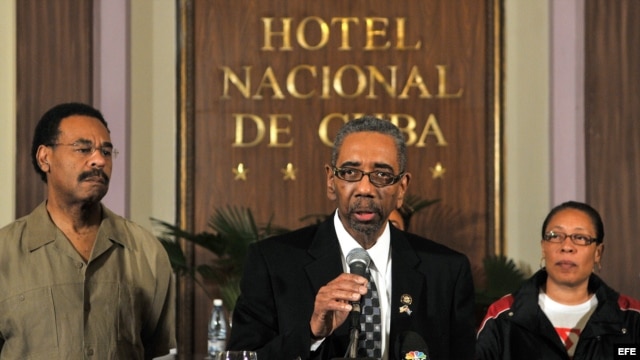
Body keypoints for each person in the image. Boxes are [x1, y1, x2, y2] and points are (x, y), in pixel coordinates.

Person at [228, 115, 476, 359]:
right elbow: (244, 357)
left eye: (381, 174)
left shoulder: (446, 271)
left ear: (401, 188)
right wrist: (311, 334)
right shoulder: (273, 262)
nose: (365, 189)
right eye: (349, 172)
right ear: (330, 181)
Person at [0, 103, 175, 359]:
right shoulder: (5, 251)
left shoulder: (145, 252)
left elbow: (154, 351)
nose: (99, 160)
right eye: (83, 149)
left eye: (106, 151)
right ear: (45, 158)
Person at [476, 201, 640, 360]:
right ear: (543, 247)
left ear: (598, 252)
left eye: (580, 237)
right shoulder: (504, 317)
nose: (566, 246)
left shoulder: (631, 318)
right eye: (555, 236)